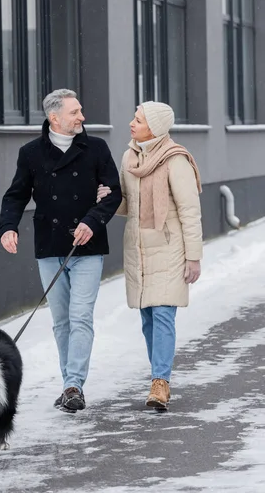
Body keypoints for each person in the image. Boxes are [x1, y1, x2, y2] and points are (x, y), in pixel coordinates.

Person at [0, 89, 122, 413]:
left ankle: (72, 385)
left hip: (87, 247)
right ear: (55, 118)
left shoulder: (96, 148)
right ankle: (71, 385)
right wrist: (7, 227)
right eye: (75, 112)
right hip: (50, 247)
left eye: (80, 111)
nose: (82, 117)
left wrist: (93, 221)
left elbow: (113, 193)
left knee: (81, 316)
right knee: (61, 321)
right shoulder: (31, 154)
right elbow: (15, 195)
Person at [100, 101, 202, 410]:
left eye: (138, 119)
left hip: (169, 247)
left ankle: (160, 382)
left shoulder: (175, 160)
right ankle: (159, 376)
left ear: (155, 127)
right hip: (138, 248)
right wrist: (107, 199)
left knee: (162, 314)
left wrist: (193, 256)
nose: (131, 123)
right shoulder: (130, 157)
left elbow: (189, 211)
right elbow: (129, 204)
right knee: (147, 318)